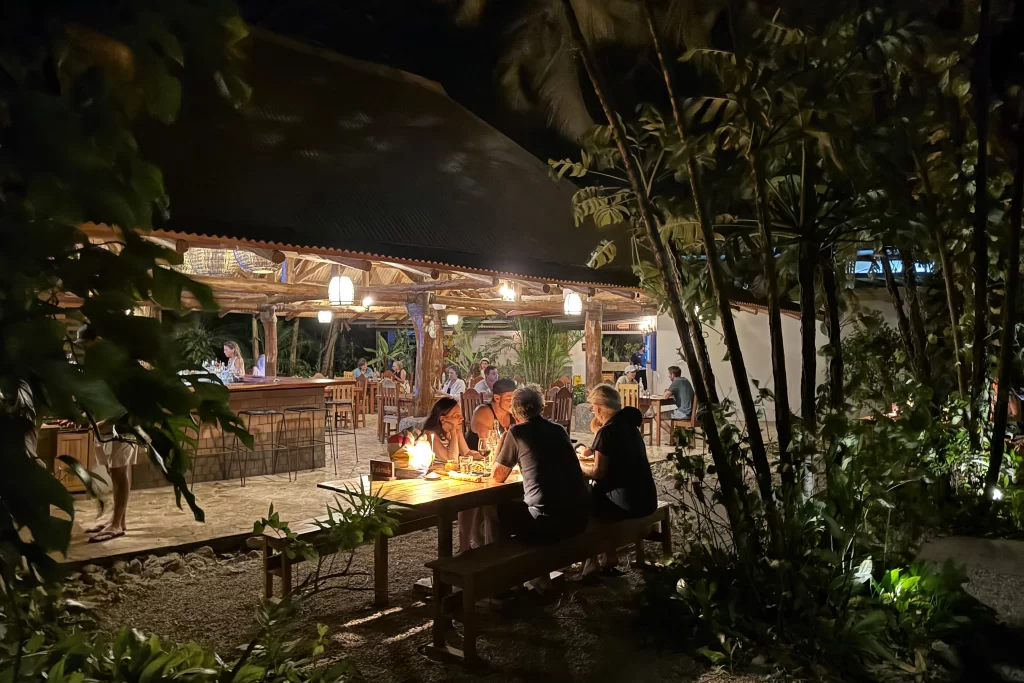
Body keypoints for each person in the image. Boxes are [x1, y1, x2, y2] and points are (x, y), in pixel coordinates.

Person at [492, 386, 590, 553]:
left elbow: (497, 476)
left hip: (546, 523)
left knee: (500, 508)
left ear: (514, 413)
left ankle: (507, 565)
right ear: (542, 408)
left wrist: (501, 443)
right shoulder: (558, 429)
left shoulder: (517, 432)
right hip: (578, 519)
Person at [579, 384, 658, 578]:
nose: (593, 413)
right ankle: (609, 557)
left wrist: (577, 466)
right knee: (601, 493)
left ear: (598, 407)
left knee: (582, 504)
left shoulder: (608, 431)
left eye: (592, 408)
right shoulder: (630, 426)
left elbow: (598, 472)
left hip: (628, 503)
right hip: (646, 497)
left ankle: (591, 562)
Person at [77, 324, 141, 543]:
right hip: (104, 426)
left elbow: (129, 401)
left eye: (87, 344)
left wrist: (106, 421)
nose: (85, 349)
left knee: (120, 473)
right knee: (115, 473)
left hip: (122, 427)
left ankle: (116, 525)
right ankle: (118, 520)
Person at [421, 396, 478, 462]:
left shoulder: (456, 430)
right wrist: (453, 431)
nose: (462, 418)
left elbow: (466, 453)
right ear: (442, 419)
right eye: (456, 416)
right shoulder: (430, 435)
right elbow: (451, 460)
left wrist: (486, 456)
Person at [468, 378, 517, 450]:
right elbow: (488, 446)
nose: (513, 403)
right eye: (509, 400)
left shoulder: (513, 413)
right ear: (497, 398)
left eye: (515, 399)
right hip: (477, 459)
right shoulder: (483, 412)